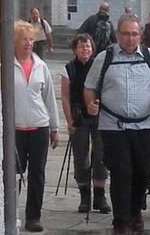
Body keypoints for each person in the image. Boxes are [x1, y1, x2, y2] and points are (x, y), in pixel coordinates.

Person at [84, 14, 150, 235]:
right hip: (113, 126)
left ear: (140, 35)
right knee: (122, 172)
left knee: (142, 171)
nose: (130, 39)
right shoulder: (105, 57)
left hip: (142, 126)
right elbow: (90, 87)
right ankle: (121, 222)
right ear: (117, 35)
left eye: (134, 34)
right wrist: (91, 105)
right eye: (126, 34)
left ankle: (135, 210)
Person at [13, 20, 60, 233]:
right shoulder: (7, 64)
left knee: (37, 174)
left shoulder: (41, 66)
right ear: (14, 41)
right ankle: (11, 215)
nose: (28, 43)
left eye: (31, 39)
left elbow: (49, 98)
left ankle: (33, 216)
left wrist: (54, 128)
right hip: (15, 129)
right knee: (13, 173)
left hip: (39, 127)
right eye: (24, 39)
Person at [60, 33, 110, 216]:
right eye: (81, 47)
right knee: (81, 156)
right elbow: (65, 96)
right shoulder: (69, 69)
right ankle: (84, 196)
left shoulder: (100, 65)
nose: (85, 50)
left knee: (101, 155)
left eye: (88, 46)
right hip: (79, 115)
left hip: (99, 114)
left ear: (93, 48)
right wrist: (69, 120)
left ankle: (100, 196)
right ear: (75, 49)